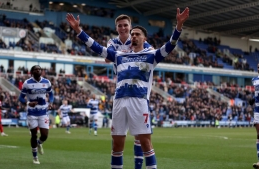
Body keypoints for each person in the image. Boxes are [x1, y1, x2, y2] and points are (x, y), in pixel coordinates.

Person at [66, 7, 189, 169]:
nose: (134, 36)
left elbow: (171, 44)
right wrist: (78, 30)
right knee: (116, 146)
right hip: (119, 101)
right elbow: (95, 46)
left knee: (145, 142)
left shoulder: (152, 55)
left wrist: (178, 26)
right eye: (133, 34)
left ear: (145, 38)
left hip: (139, 100)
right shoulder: (118, 55)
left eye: (137, 34)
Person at [106, 14, 153, 169]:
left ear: (130, 26)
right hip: (122, 85)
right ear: (116, 28)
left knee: (140, 136)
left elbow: (151, 52)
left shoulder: (138, 38)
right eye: (120, 25)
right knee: (118, 138)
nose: (123, 28)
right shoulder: (112, 42)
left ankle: (138, 166)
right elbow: (107, 58)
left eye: (126, 25)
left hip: (139, 84)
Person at [18, 65, 54, 164]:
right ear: (32, 72)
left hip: (43, 111)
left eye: (39, 69)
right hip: (32, 112)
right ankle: (35, 157)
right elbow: (21, 98)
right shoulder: (27, 83)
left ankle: (39, 143)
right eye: (36, 69)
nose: (38, 70)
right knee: (33, 134)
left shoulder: (46, 82)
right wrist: (29, 103)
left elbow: (51, 94)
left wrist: (50, 102)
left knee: (45, 135)